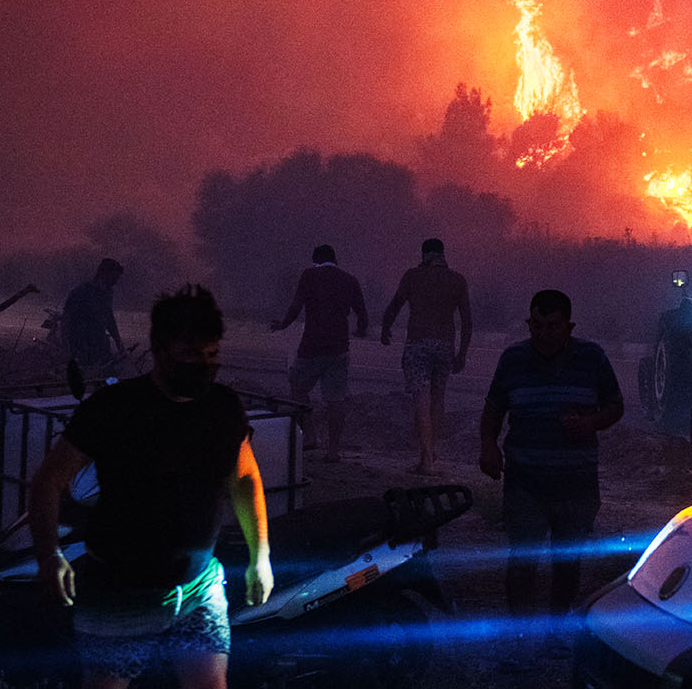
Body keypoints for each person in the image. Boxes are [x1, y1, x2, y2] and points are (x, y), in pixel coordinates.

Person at [29, 285, 273, 689]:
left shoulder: (223, 406)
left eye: (212, 355)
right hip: (119, 592)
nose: (204, 366)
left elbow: (245, 477)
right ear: (161, 350)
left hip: (199, 585)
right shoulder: (114, 409)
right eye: (192, 356)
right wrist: (49, 557)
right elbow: (48, 481)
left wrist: (259, 555)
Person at [479, 289, 622, 664]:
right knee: (523, 559)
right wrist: (488, 446)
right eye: (536, 325)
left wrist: (590, 422)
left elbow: (615, 405)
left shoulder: (591, 358)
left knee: (566, 561)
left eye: (552, 326)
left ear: (568, 326)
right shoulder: (513, 359)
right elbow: (493, 407)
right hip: (525, 479)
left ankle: (556, 633)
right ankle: (522, 639)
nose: (543, 333)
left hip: (575, 481)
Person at [379, 238, 472, 475]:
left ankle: (427, 458)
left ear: (424, 255)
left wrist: (385, 328)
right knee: (438, 399)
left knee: (421, 401)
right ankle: (433, 450)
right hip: (445, 345)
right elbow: (467, 321)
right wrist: (462, 353)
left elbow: (395, 305)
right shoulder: (457, 280)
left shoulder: (412, 276)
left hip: (418, 344)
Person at [269, 244, 367, 462]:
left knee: (297, 385)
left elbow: (296, 305)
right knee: (336, 399)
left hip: (311, 345)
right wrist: (361, 329)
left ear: (315, 260)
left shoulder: (310, 275)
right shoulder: (349, 280)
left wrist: (284, 324)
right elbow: (362, 312)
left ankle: (310, 435)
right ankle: (333, 451)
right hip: (339, 347)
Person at [63, 258, 125, 372]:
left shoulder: (108, 293)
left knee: (110, 373)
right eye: (114, 278)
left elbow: (109, 318)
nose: (115, 282)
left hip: (100, 341)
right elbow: (66, 319)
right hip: (81, 343)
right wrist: (68, 346)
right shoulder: (82, 291)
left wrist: (118, 342)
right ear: (104, 274)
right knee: (88, 374)